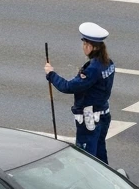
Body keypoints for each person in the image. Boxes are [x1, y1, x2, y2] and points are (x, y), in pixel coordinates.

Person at [44, 22, 116, 163]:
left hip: (90, 119)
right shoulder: (108, 63)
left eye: (84, 44)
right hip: (103, 114)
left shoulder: (92, 69)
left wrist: (51, 74)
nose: (83, 47)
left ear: (90, 46)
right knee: (100, 156)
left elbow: (69, 87)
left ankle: (91, 185)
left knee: (86, 160)